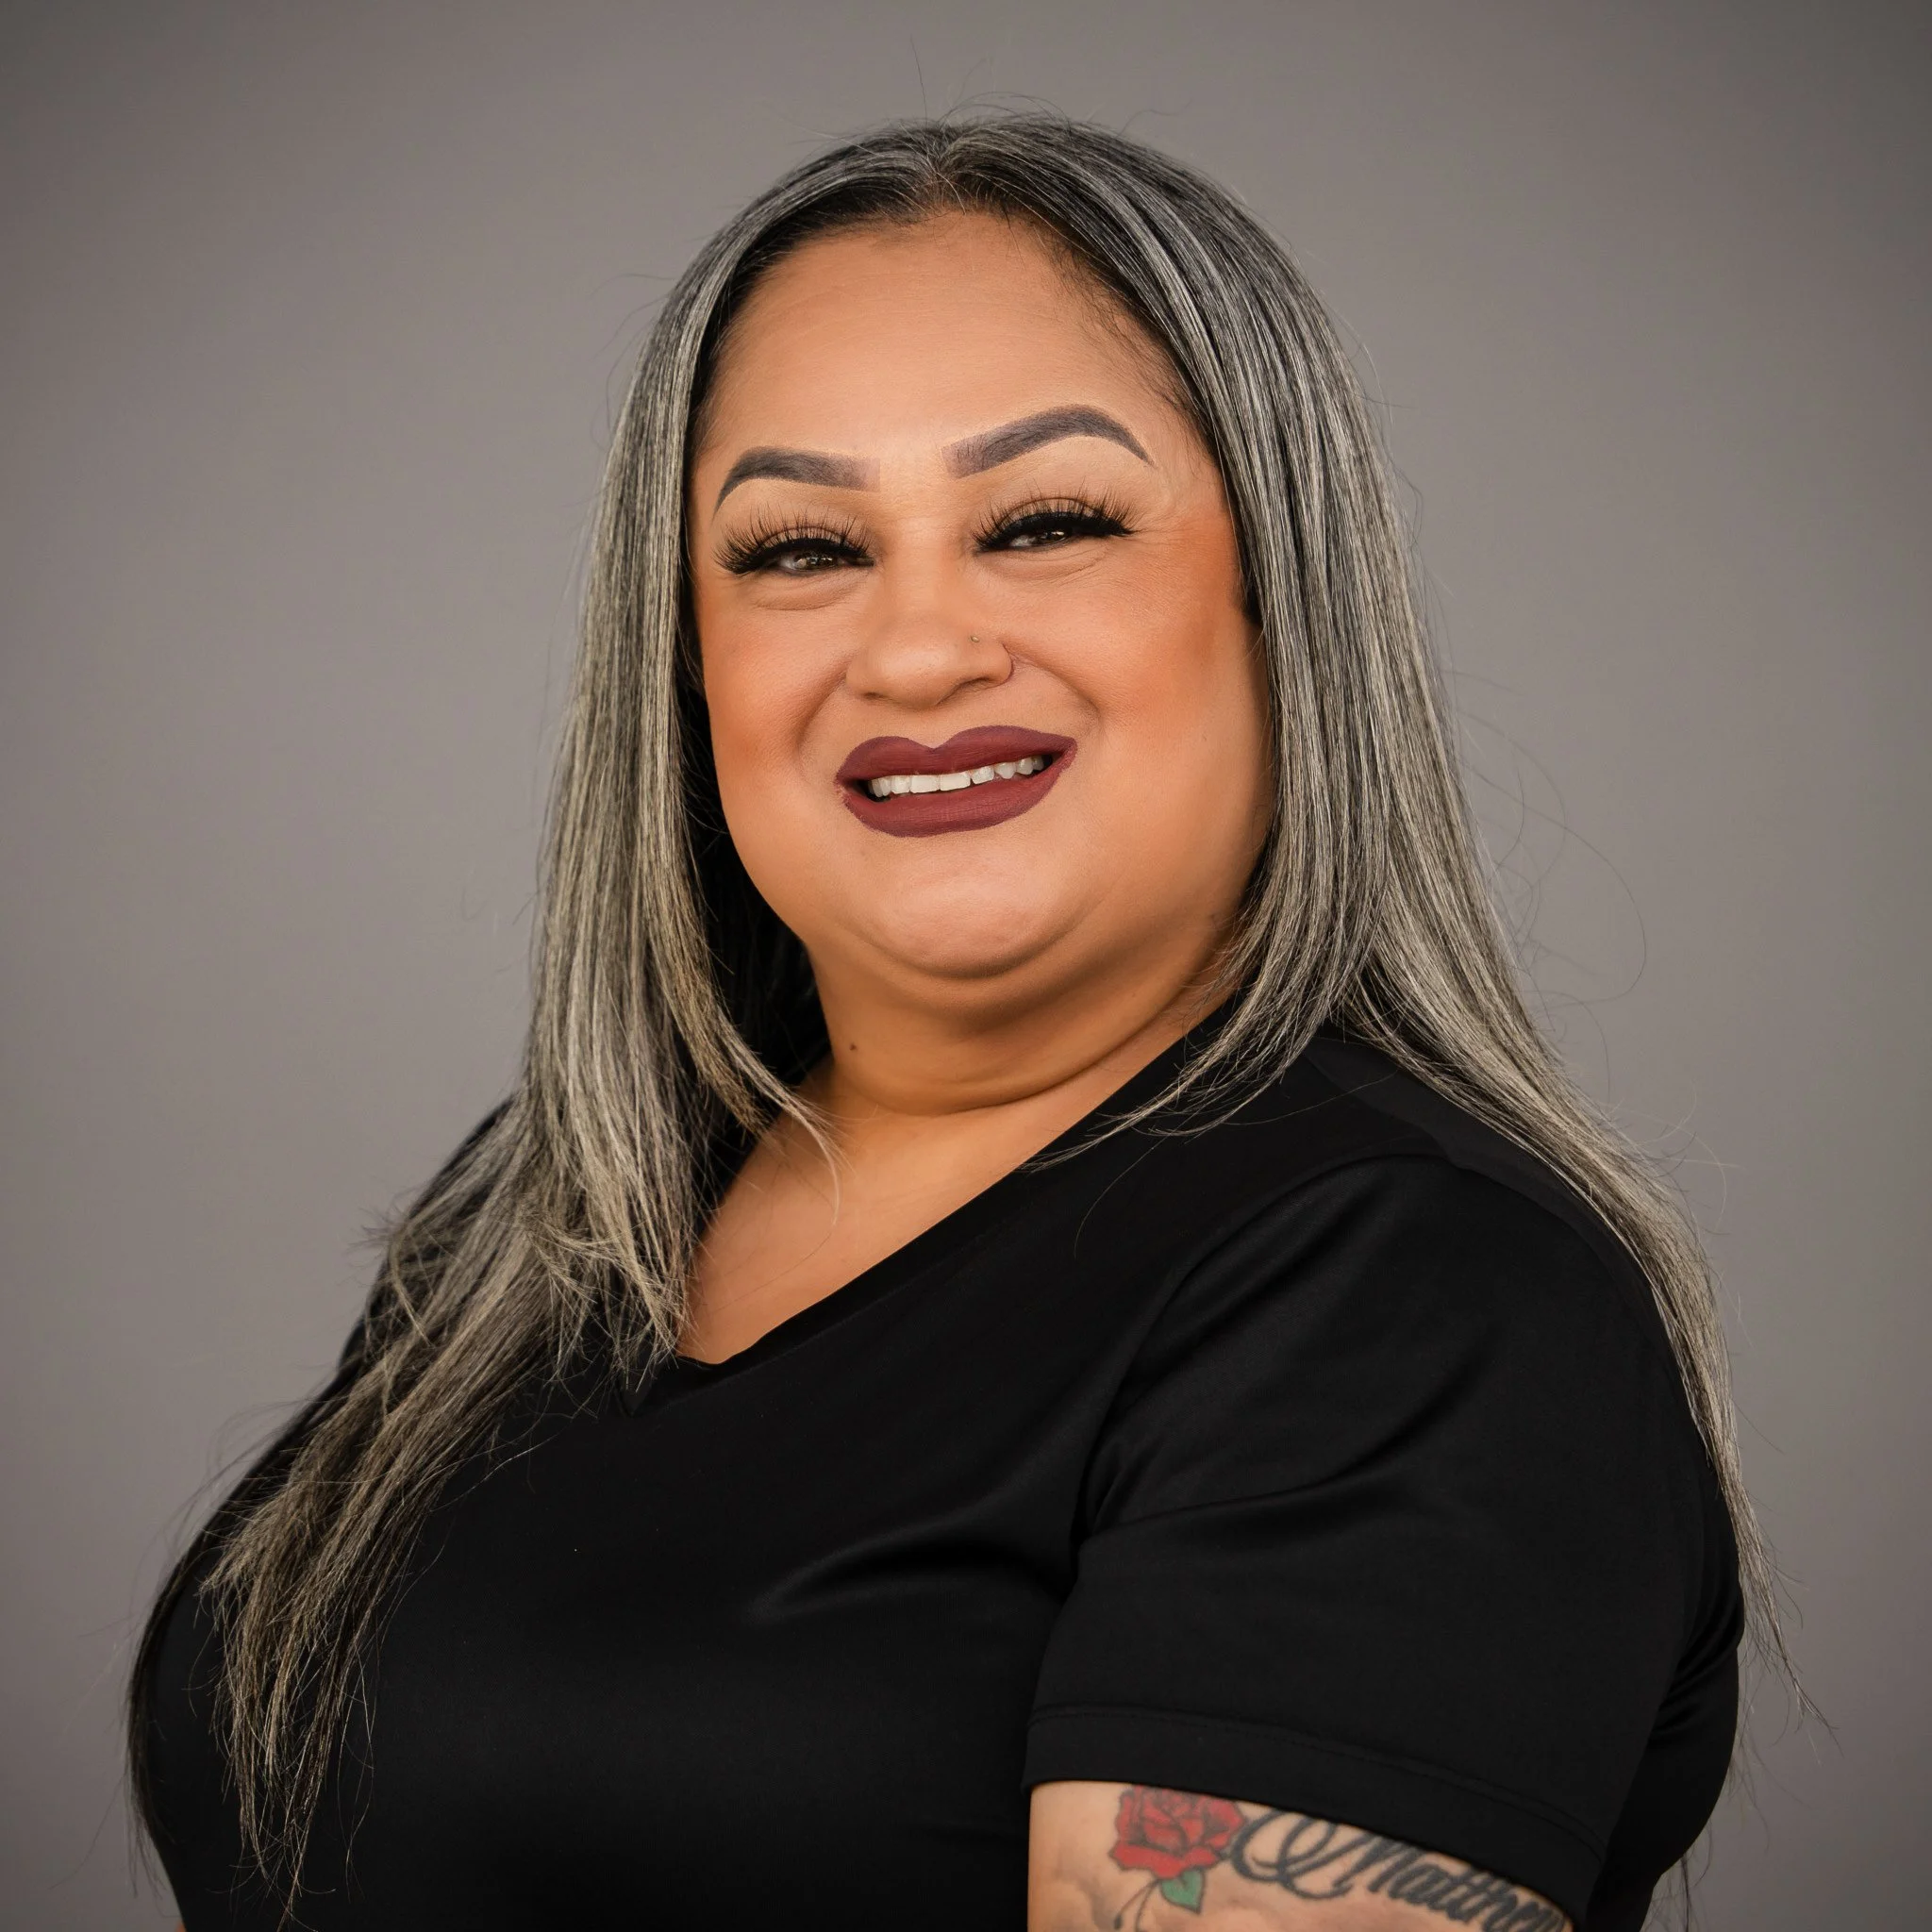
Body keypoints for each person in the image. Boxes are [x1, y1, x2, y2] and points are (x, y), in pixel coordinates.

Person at [131, 116, 1769, 1932]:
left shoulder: (1417, 1303)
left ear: (1280, 600)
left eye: (1047, 522)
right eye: (798, 549)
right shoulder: (542, 1223)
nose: (916, 652)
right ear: (685, 659)